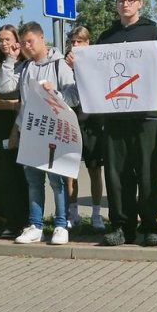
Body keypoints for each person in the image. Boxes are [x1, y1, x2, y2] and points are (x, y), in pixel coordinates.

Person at [94, 0, 157, 246]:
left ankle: (151, 225)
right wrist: (76, 61)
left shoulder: (152, 33)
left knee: (149, 173)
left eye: (130, 0)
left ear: (140, 3)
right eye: (120, 0)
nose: (125, 4)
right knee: (117, 175)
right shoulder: (106, 37)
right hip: (115, 118)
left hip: (146, 118)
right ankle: (121, 226)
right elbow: (93, 73)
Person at [9, 22, 78, 245]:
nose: (27, 47)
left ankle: (60, 224)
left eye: (30, 41)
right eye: (23, 43)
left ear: (42, 39)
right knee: (33, 181)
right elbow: (24, 102)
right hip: (31, 131)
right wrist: (19, 128)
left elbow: (74, 95)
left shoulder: (60, 65)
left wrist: (54, 93)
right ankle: (35, 225)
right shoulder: (27, 67)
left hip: (55, 131)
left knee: (57, 181)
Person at [0, 24, 29, 237]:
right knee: (5, 176)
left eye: (8, 39)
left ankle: (27, 220)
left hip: (22, 123)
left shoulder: (27, 62)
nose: (4, 44)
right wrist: (12, 104)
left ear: (16, 40)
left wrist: (19, 106)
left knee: (24, 174)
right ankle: (10, 220)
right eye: (0, 40)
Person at [63, 26, 106, 230]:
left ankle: (97, 214)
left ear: (88, 43)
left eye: (79, 41)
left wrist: (79, 68)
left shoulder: (95, 63)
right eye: (72, 41)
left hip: (93, 121)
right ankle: (73, 213)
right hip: (73, 119)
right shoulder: (66, 64)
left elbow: (95, 88)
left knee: (94, 169)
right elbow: (67, 93)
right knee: (70, 169)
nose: (75, 45)